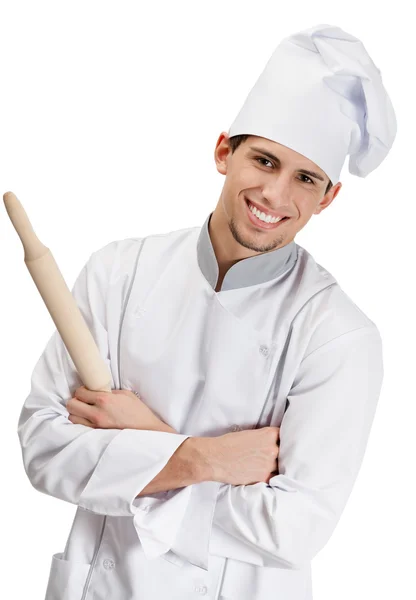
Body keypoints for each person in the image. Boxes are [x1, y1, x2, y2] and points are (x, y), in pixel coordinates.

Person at [17, 23, 397, 600]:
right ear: (224, 151)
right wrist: (205, 460)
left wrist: (141, 438)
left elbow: (291, 529)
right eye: (264, 161)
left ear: (328, 197)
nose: (275, 195)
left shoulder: (338, 336)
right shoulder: (118, 273)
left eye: (305, 178)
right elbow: (44, 448)